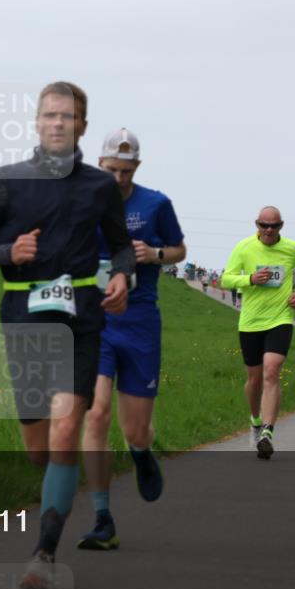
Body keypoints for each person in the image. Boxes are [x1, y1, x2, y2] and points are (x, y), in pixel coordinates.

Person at [0, 82, 133, 589]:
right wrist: (6, 253)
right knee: (38, 448)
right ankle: (50, 490)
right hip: (23, 316)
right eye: (50, 115)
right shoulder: (9, 180)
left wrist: (123, 275)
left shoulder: (99, 185)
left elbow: (123, 247)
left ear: (82, 125)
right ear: (37, 123)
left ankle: (44, 552)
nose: (59, 123)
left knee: (67, 430)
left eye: (68, 116)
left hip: (82, 318)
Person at [78, 128, 186, 551]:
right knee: (96, 413)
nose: (117, 179)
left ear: (136, 168)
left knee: (136, 429)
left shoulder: (156, 204)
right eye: (110, 170)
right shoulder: (84, 200)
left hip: (140, 318)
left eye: (125, 171)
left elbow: (179, 249)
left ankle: (140, 453)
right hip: (97, 318)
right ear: (98, 165)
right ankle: (103, 517)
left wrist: (154, 255)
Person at [220, 206, 295, 459]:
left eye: (274, 226)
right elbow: (226, 279)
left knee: (271, 371)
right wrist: (250, 279)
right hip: (250, 322)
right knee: (254, 380)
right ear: (257, 225)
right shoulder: (244, 247)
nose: (269, 230)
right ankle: (255, 421)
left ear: (282, 225)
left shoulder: (291, 248)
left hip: (280, 319)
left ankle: (267, 433)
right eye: (264, 225)